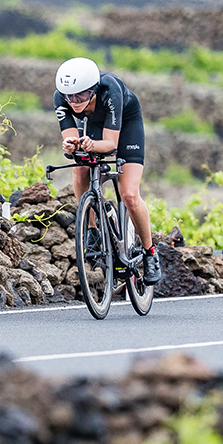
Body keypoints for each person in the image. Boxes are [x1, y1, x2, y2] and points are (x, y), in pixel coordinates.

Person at [52, 57, 162, 285]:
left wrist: (92, 145)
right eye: (69, 96)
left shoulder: (109, 88)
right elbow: (70, 140)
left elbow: (111, 144)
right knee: (80, 170)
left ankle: (150, 253)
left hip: (126, 126)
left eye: (81, 96)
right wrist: (70, 145)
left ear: (93, 90)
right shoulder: (61, 98)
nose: (74, 102)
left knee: (129, 195)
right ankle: (91, 229)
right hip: (93, 126)